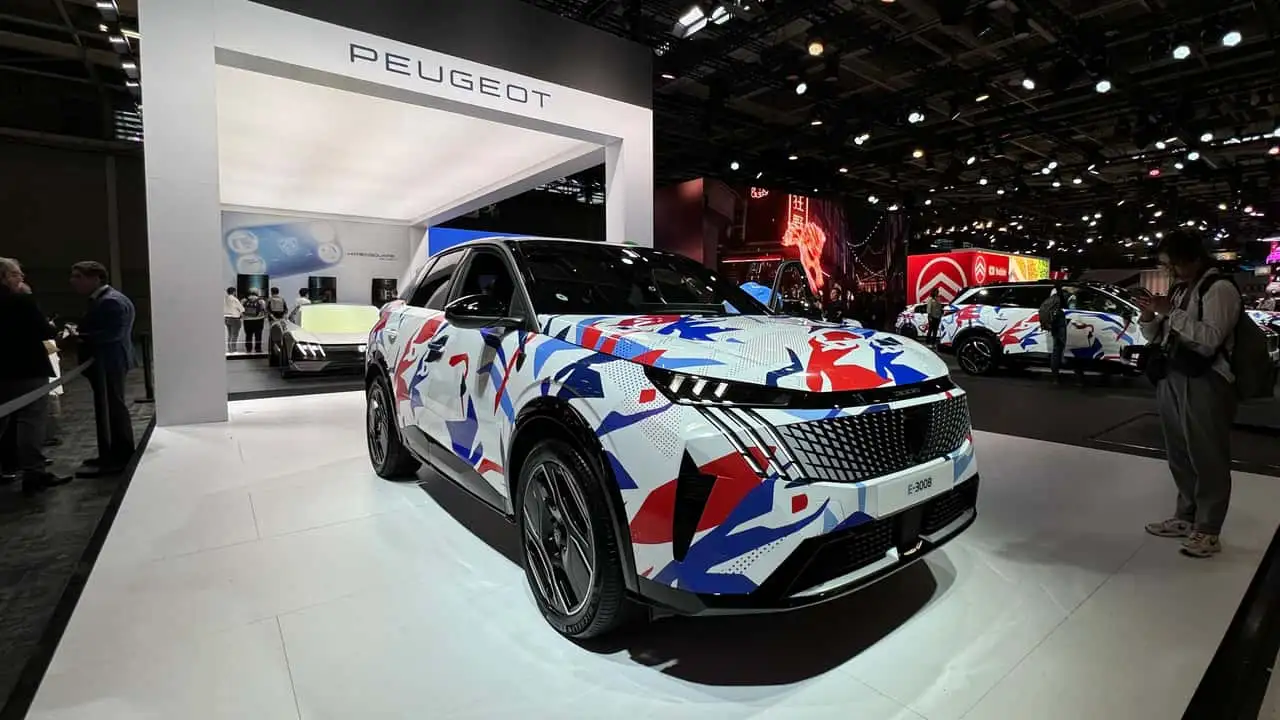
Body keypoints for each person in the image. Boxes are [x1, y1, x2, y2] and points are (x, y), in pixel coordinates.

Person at [1138, 232, 1241, 558]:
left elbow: (1210, 338)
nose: (1170, 272)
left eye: (1174, 265)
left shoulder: (1219, 289)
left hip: (1206, 379)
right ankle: (1186, 517)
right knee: (1179, 452)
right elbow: (1160, 336)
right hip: (1172, 374)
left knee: (1207, 455)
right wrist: (1149, 318)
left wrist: (1171, 312)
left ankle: (1208, 530)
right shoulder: (1181, 289)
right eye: (1166, 266)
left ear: (1194, 258)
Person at [0, 258, 70, 495]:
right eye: (16, 274)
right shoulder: (21, 301)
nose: (21, 278)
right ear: (4, 277)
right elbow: (45, 331)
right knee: (31, 422)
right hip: (27, 369)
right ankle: (34, 473)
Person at [68, 261, 136, 478]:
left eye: (78, 276)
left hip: (109, 362)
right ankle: (111, 453)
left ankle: (121, 455)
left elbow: (112, 334)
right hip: (108, 362)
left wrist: (79, 337)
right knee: (110, 408)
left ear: (96, 278)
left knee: (113, 408)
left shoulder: (110, 301)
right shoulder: (107, 299)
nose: (73, 281)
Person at [224, 287, 244, 353]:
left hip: (226, 318)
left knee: (230, 334)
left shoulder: (225, 299)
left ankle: (230, 349)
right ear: (234, 292)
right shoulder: (234, 299)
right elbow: (241, 309)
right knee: (234, 335)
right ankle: (233, 349)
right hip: (234, 318)